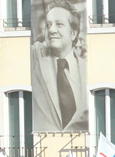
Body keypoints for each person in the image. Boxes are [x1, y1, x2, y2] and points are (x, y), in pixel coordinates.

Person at [31, 0, 88, 132]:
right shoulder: (35, 59)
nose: (52, 29)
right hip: (44, 147)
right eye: (48, 25)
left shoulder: (87, 69)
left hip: (79, 147)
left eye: (59, 24)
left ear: (73, 33)